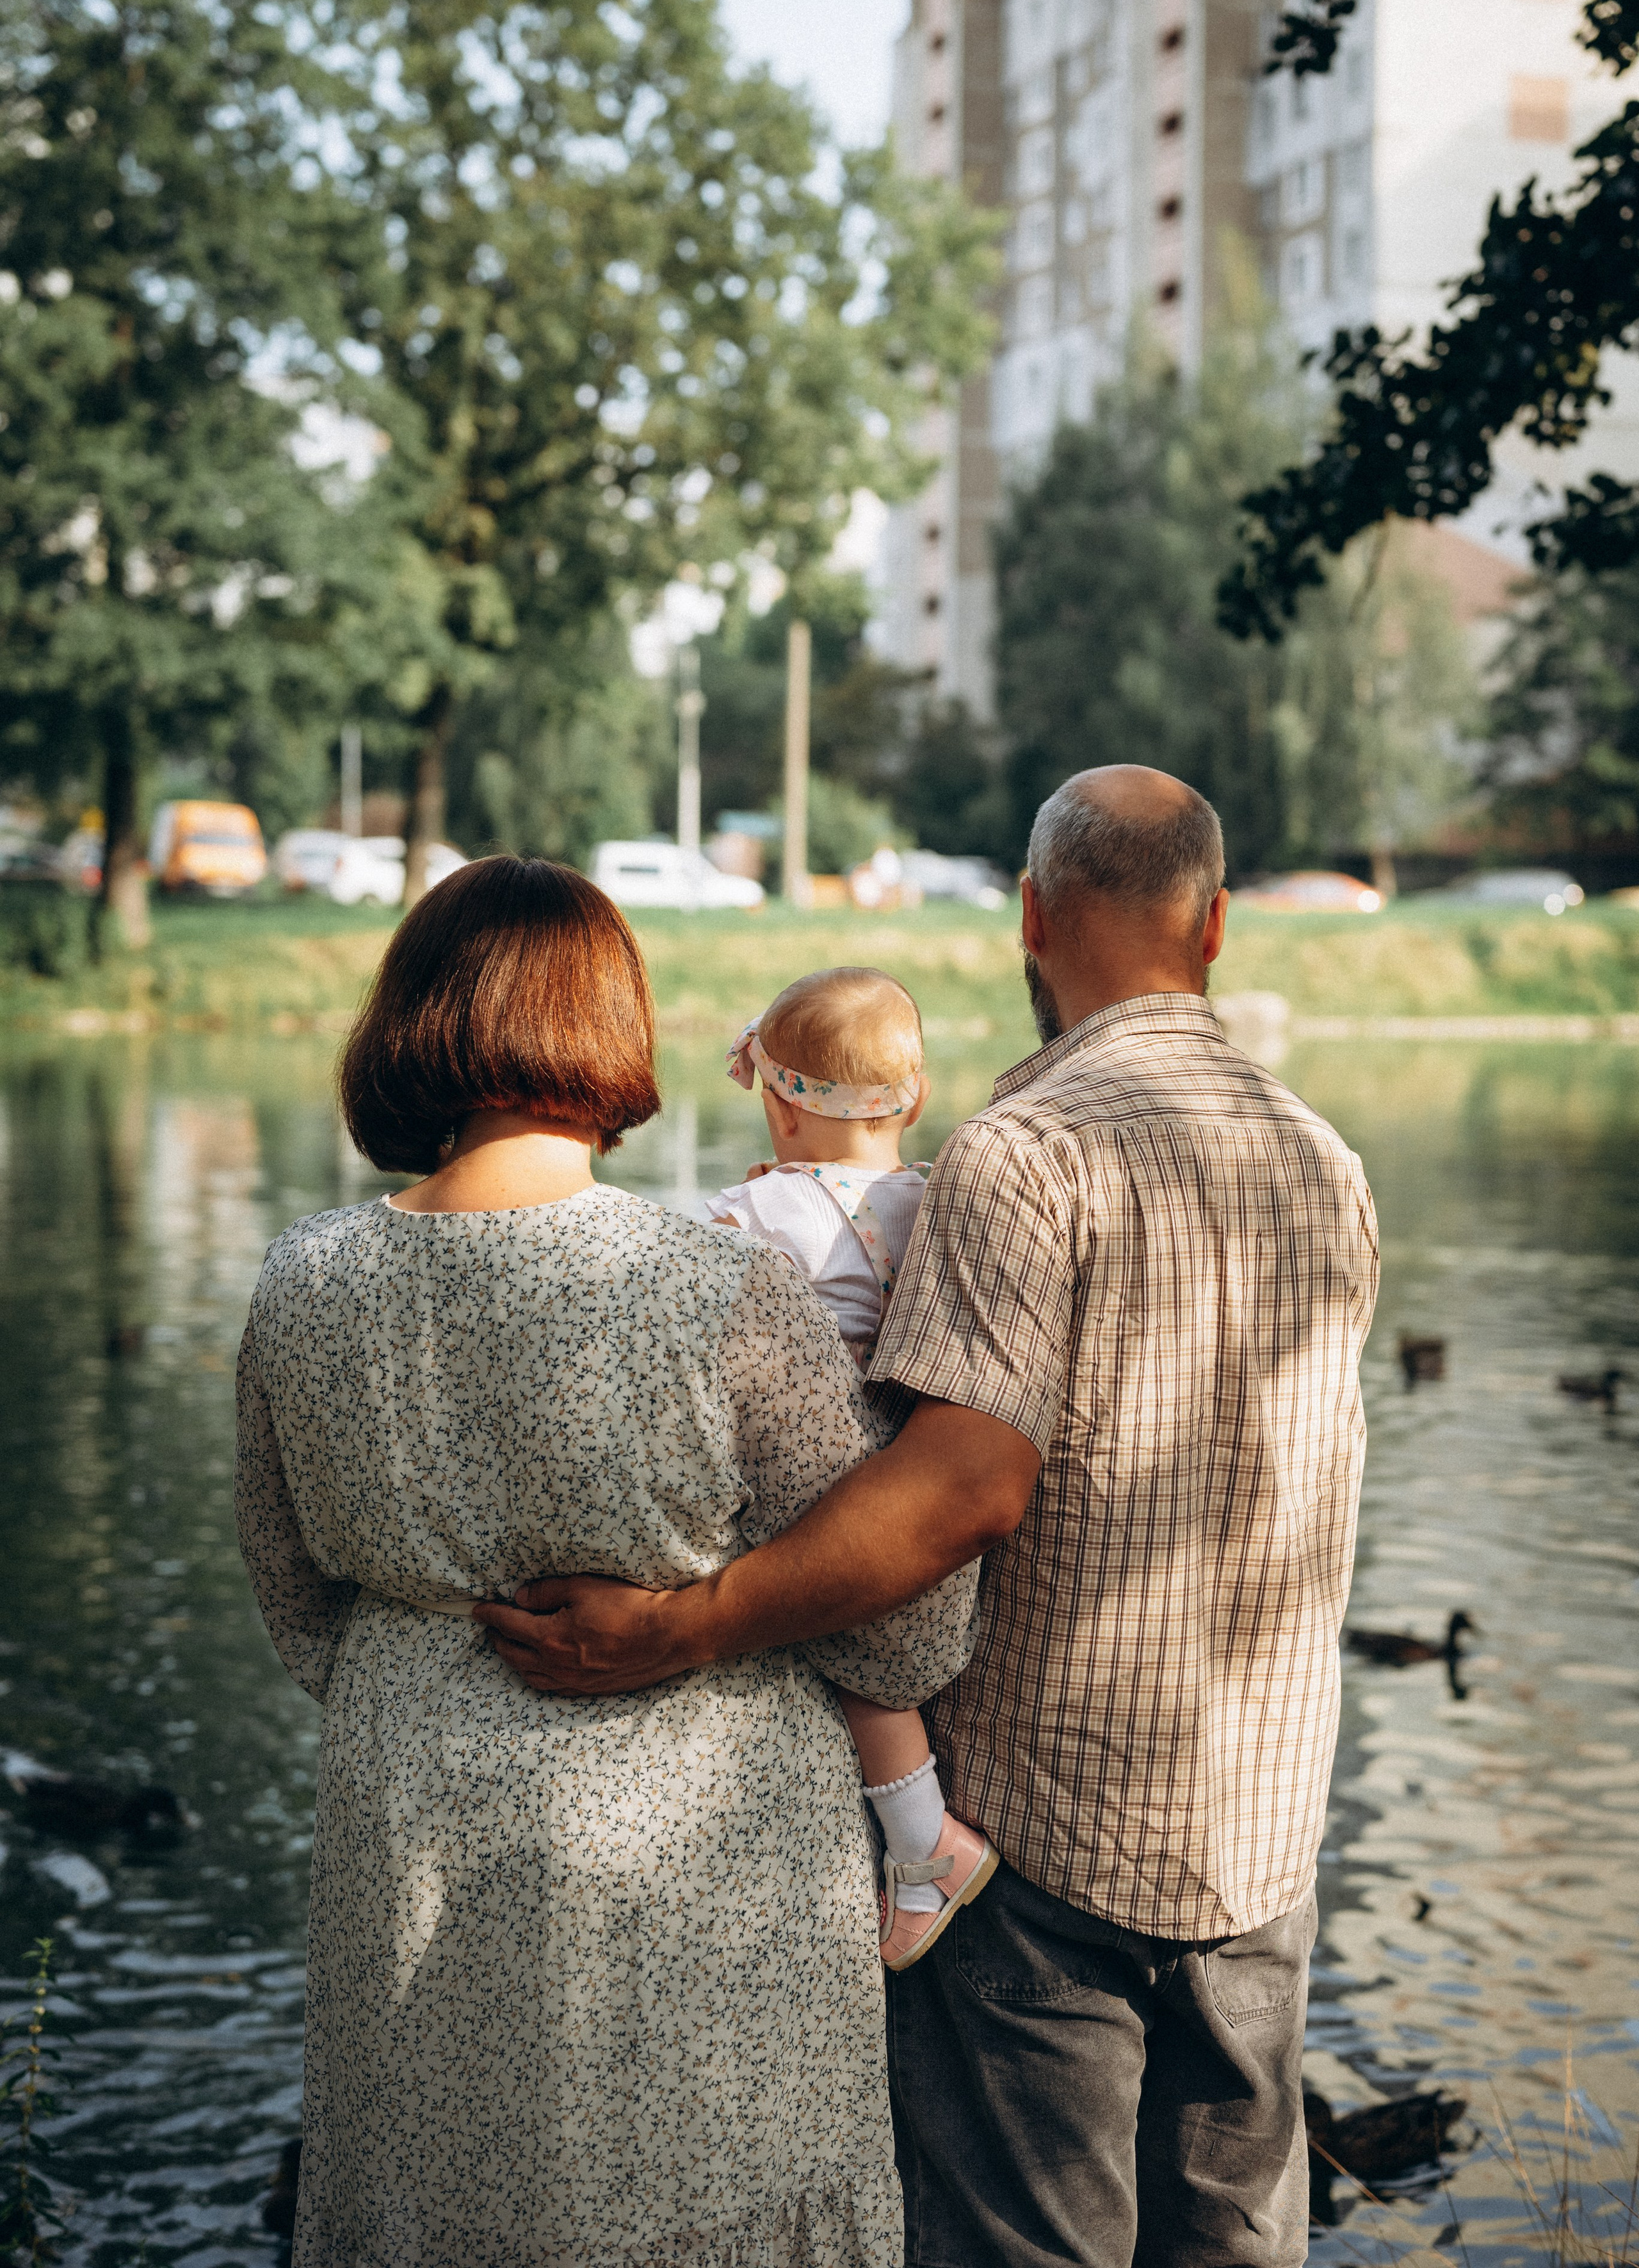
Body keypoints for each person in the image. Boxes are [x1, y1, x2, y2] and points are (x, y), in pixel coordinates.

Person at [479, 766, 1381, 2268]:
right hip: (1264, 1834)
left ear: (1027, 915)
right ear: (1215, 926)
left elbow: (961, 1488)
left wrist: (677, 1630)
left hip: (1041, 1849)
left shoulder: (1023, 1154)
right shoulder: (1323, 1159)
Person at [234, 855, 993, 2268]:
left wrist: (435, 1680)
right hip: (702, 1874)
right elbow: (895, 1627)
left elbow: (292, 1595)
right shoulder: (721, 1286)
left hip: (411, 1840)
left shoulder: (300, 1278)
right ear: (610, 1028)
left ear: (410, 1019)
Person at [707, 967, 997, 1971]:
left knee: (858, 1665)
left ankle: (927, 1849)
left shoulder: (757, 1217)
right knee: (878, 1666)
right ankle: (913, 1846)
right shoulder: (937, 1201)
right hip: (916, 1450)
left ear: (779, 1108)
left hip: (819, 1458)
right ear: (913, 1101)